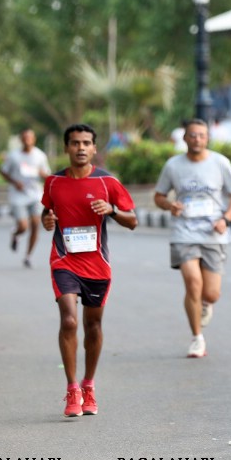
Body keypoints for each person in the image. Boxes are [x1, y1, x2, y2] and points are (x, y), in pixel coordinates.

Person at [41, 124, 138, 417]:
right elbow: (47, 211)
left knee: (93, 326)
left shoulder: (108, 182)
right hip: (64, 260)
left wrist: (112, 211)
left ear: (94, 149)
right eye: (74, 143)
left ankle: (89, 384)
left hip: (97, 265)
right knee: (69, 321)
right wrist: (47, 220)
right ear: (66, 148)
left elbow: (132, 220)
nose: (80, 148)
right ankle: (72, 390)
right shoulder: (54, 182)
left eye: (86, 143)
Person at [154, 119, 231, 358]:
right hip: (184, 232)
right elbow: (159, 196)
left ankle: (206, 304)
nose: (197, 139)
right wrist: (168, 205)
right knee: (193, 283)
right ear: (184, 138)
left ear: (207, 138)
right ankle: (197, 338)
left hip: (214, 233)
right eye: (192, 135)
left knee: (211, 293)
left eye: (201, 135)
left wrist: (225, 219)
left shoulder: (220, 162)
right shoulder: (173, 165)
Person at [0, 128, 51, 268]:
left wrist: (42, 174)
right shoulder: (13, 156)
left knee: (35, 224)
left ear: (34, 139)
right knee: (23, 226)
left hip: (35, 194)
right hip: (18, 195)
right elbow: (3, 171)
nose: (27, 140)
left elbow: (47, 175)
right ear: (21, 139)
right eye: (25, 137)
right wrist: (14, 182)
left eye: (30, 137)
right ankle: (16, 233)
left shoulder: (40, 155)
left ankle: (28, 256)